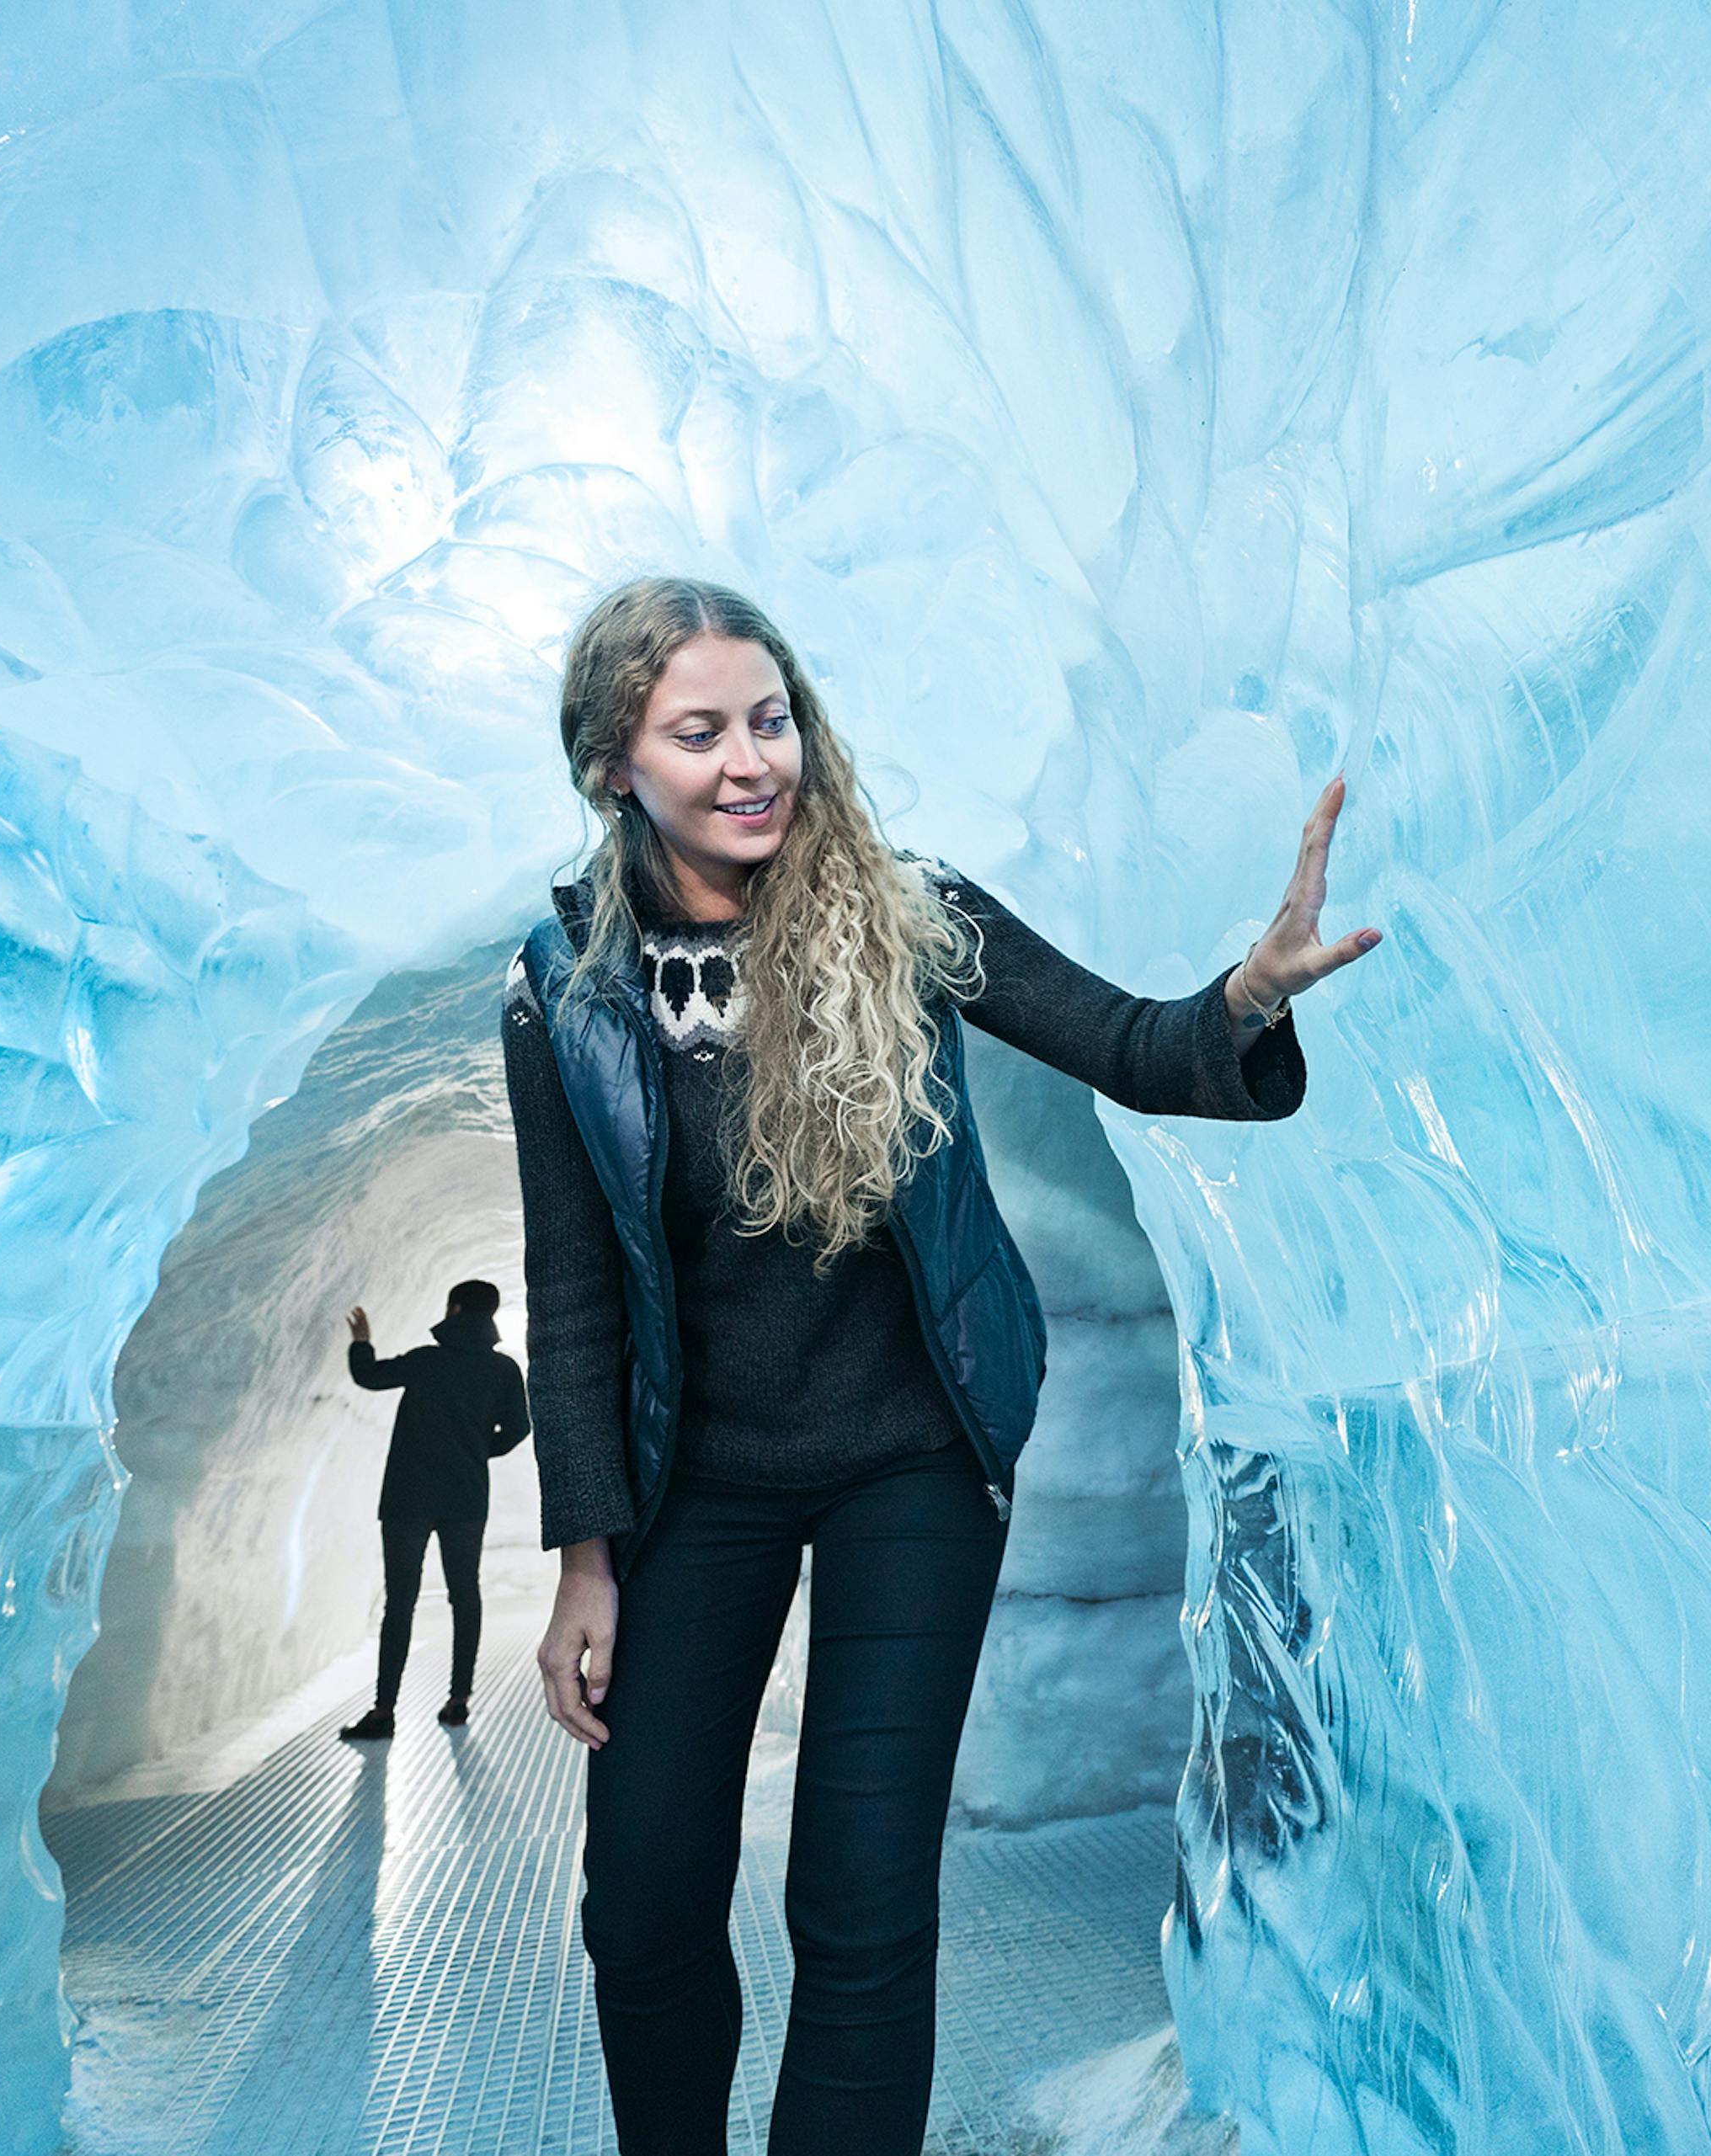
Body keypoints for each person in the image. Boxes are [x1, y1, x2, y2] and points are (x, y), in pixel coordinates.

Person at [499, 576, 1380, 2153]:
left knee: (858, 1896)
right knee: (639, 1905)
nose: (750, 761)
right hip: (697, 1475)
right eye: (697, 732)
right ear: (611, 766)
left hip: (915, 1456)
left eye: (769, 719)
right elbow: (572, 1294)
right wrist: (585, 1556)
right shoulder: (563, 991)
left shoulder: (913, 918)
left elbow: (1131, 1043)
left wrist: (1245, 998)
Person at [338, 1280, 533, 1740]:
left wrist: (362, 1345)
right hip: (465, 1498)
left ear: (456, 1307)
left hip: (408, 1498)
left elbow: (370, 1377)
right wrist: (479, 1449)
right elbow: (520, 1428)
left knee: (400, 1602)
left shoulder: (427, 1361)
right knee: (465, 1595)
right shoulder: (503, 1370)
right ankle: (458, 1702)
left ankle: (383, 1712)